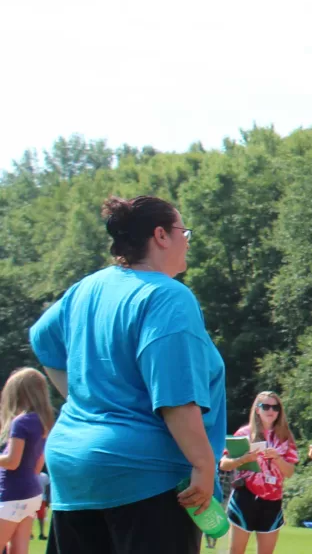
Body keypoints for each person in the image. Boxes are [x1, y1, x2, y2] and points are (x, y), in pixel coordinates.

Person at [29, 195, 225, 554]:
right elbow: (175, 395)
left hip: (73, 467)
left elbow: (42, 340)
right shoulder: (168, 296)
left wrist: (82, 401)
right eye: (184, 231)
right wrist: (202, 463)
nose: (187, 240)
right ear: (161, 235)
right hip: (146, 473)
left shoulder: (88, 288)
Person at [221, 391, 300, 553]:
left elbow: (290, 472)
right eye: (266, 406)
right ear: (257, 409)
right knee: (236, 550)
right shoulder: (244, 434)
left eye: (275, 407)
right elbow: (224, 464)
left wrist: (277, 458)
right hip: (245, 496)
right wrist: (243, 460)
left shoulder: (285, 437)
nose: (271, 411)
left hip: (272, 500)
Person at [0, 368, 54, 554]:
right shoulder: (44, 421)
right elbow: (38, 463)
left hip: (11, 493)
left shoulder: (20, 423)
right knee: (19, 550)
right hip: (32, 493)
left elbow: (12, 462)